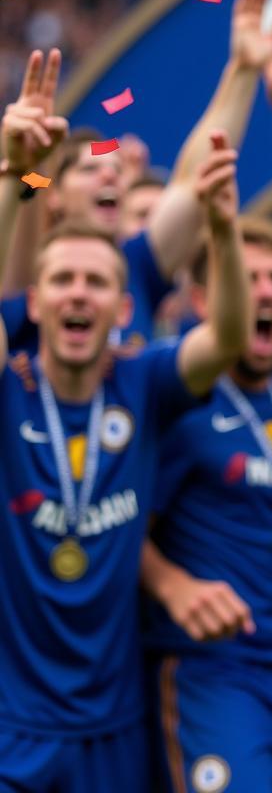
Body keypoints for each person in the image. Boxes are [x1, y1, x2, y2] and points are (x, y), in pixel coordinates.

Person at [0, 62, 250, 792]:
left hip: (117, 721)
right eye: (63, 282)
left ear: (123, 307)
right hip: (13, 723)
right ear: (33, 306)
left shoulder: (142, 381)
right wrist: (15, 181)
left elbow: (227, 336)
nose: (79, 293)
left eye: (96, 284)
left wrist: (225, 230)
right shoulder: (10, 389)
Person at [141, 216, 272, 793]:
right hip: (213, 669)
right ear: (204, 299)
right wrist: (173, 585)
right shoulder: (175, 402)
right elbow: (121, 523)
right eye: (248, 279)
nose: (268, 291)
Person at [0, 0, 272, 353]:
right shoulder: (30, 269)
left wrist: (244, 71)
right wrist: (22, 169)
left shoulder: (136, 264)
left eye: (117, 172)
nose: (108, 174)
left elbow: (191, 181)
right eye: (89, 170)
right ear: (55, 196)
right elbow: (25, 206)